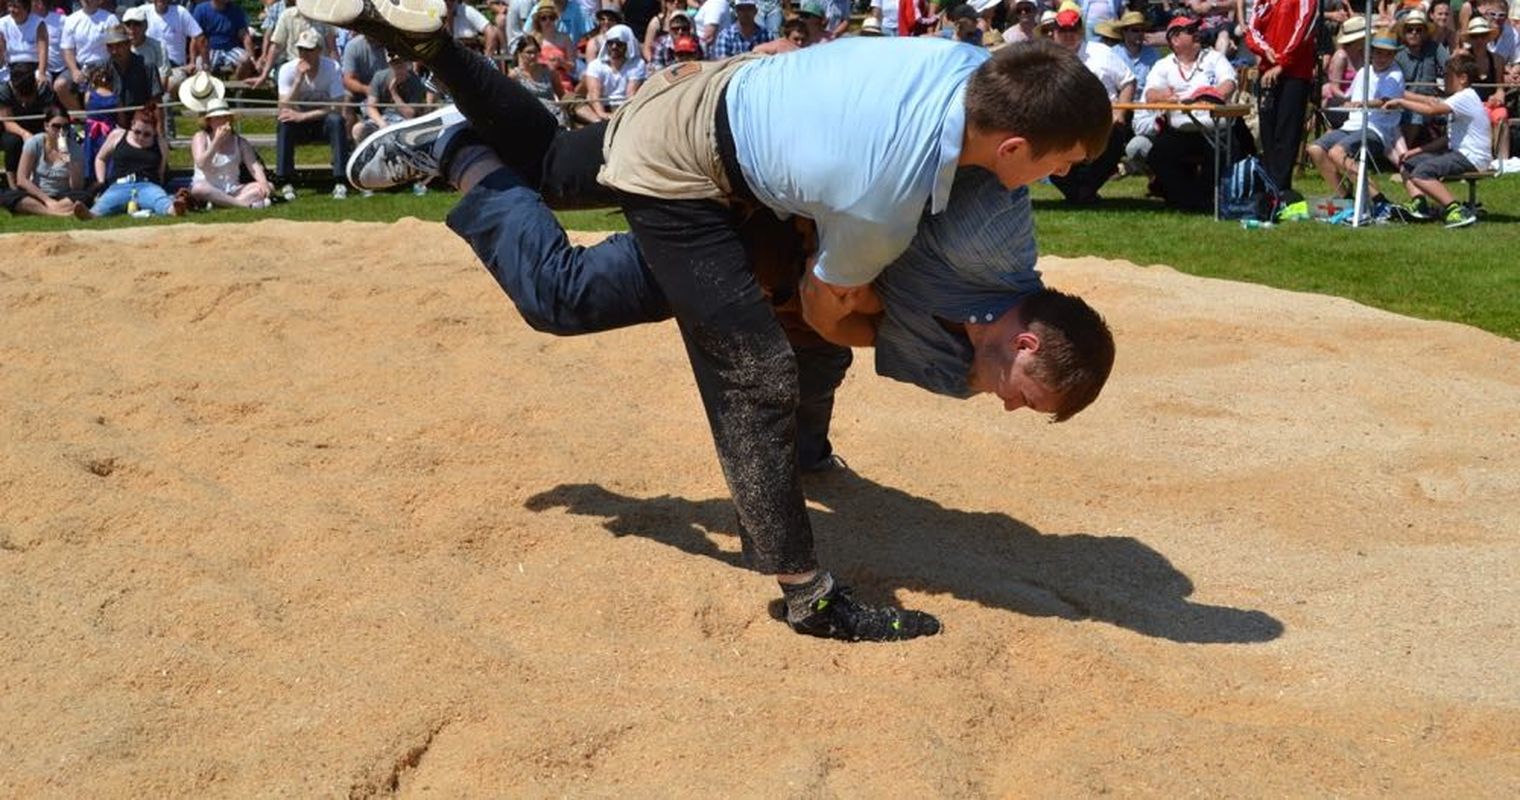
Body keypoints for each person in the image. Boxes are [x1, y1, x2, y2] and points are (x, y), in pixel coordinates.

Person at [304, 0, 1114, 641]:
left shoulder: (980, 78)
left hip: (730, 103)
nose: (1061, 175)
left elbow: (845, 310)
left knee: (554, 167)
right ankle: (806, 596)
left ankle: (439, 56)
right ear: (1011, 150)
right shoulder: (891, 198)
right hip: (695, 173)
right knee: (748, 367)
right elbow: (828, 310)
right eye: (1060, 162)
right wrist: (855, 306)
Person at [1142, 15, 1250, 211]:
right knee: (1156, 155)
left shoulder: (1214, 57)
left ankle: (1202, 199)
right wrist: (1164, 95)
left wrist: (1210, 95)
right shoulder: (1163, 65)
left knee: (1224, 151)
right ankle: (1190, 200)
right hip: (1181, 130)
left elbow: (1229, 83)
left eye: (1196, 30)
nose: (1197, 34)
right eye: (1191, 31)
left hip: (1215, 129)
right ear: (1174, 40)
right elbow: (1150, 94)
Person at [1384, 51, 1489, 227]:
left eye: (1447, 76)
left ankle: (1455, 209)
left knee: (1422, 173)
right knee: (1408, 162)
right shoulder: (1460, 99)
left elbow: (1431, 110)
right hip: (1460, 153)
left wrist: (1401, 102)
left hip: (1472, 157)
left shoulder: (1465, 96)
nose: (1443, 80)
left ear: (1462, 78)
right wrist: (1415, 151)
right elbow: (1447, 139)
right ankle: (1419, 205)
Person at [1305, 30, 1403, 202]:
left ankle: (1380, 200)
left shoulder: (1395, 74)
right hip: (1352, 125)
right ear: (1371, 52)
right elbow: (1350, 96)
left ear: (1394, 55)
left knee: (1337, 152)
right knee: (1315, 149)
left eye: (1387, 54)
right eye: (1378, 52)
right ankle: (1345, 198)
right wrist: (1339, 100)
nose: (1381, 57)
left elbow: (1387, 101)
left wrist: (1363, 103)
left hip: (1376, 129)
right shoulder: (1364, 71)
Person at [1049, 5, 1133, 203]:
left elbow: (1128, 81)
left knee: (1115, 135)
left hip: (1102, 122)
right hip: (1062, 125)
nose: (1068, 34)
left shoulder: (1102, 53)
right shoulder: (1046, 57)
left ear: (1081, 30)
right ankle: (1078, 193)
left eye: (1073, 29)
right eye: (1063, 30)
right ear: (1054, 32)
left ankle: (1084, 192)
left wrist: (1121, 114)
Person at [1245, 0, 1317, 197]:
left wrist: (1283, 63)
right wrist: (1264, 50)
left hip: (1295, 73)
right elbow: (1252, 29)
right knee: (1267, 130)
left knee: (1286, 132)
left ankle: (1281, 187)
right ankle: (1270, 187)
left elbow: (1303, 29)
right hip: (1267, 69)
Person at [79, 105, 189, 219]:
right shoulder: (117, 135)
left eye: (147, 134)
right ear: (132, 124)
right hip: (119, 185)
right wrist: (101, 180)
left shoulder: (161, 143)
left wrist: (158, 185)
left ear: (154, 132)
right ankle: (91, 214)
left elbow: (160, 171)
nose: (141, 137)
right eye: (137, 132)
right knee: (104, 203)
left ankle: (174, 209)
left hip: (148, 185)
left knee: (159, 199)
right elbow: (100, 158)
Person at [275, 28, 349, 196]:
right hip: (298, 124)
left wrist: (303, 116)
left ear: (319, 51)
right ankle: (285, 181)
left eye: (309, 50)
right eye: (301, 49)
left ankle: (340, 180)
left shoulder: (332, 68)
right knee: (284, 122)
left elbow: (337, 106)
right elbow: (283, 107)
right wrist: (297, 81)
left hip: (322, 122)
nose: (304, 54)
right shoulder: (287, 69)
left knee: (336, 121)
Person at [0, 106, 90, 216]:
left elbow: (76, 187)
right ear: (46, 126)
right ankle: (56, 213)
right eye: (56, 126)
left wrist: (67, 158)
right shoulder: (35, 143)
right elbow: (22, 179)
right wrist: (48, 200)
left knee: (84, 196)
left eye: (65, 127)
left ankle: (43, 210)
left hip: (64, 195)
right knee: (9, 196)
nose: (61, 131)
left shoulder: (75, 149)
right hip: (38, 194)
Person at [189, 97, 273, 208]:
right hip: (208, 187)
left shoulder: (240, 142)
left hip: (233, 189)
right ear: (209, 121)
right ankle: (243, 204)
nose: (222, 121)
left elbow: (254, 166)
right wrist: (216, 142)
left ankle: (222, 203)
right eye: (217, 118)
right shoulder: (200, 137)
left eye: (225, 117)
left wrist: (263, 183)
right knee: (198, 189)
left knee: (268, 186)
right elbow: (201, 164)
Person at [1392, 8, 1449, 147]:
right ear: (1404, 33)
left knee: (1458, 111)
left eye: (1419, 30)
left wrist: (1446, 92)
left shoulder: (1435, 48)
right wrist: (1424, 100)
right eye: (1410, 30)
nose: (1414, 33)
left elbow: (1451, 68)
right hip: (1407, 102)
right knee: (1416, 115)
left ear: (1424, 32)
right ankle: (1406, 153)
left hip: (1433, 101)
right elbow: (1397, 90)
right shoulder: (1397, 55)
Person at [55, 0, 117, 111]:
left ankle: (91, 122)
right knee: (60, 85)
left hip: (104, 66)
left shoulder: (110, 19)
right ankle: (82, 119)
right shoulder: (71, 20)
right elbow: (67, 49)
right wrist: (74, 70)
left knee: (89, 97)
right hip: (80, 65)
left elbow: (117, 47)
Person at [0, 60, 52, 188]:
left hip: (39, 126)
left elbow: (50, 117)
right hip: (13, 130)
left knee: (50, 139)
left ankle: (50, 180)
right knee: (12, 142)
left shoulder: (43, 89)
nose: (24, 101)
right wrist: (24, 134)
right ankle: (14, 185)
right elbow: (7, 122)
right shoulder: (4, 91)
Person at [355, 49, 426, 140]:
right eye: (395, 64)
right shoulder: (379, 77)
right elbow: (371, 107)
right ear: (390, 65)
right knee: (358, 129)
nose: (398, 67)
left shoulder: (415, 82)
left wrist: (394, 92)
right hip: (381, 120)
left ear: (407, 64)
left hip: (404, 122)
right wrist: (382, 123)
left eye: (401, 63)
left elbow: (410, 114)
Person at [581, 22, 642, 119]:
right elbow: (594, 92)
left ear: (628, 45)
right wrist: (602, 114)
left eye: (619, 44)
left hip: (625, 108)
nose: (614, 47)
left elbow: (631, 93)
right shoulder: (595, 65)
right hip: (600, 108)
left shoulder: (637, 64)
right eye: (610, 43)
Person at [508, 33, 566, 124]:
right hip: (530, 118)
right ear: (520, 53)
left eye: (535, 52)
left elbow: (561, 95)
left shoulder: (548, 71)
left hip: (553, 114)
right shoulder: (514, 76)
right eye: (529, 52)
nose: (533, 56)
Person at [192, 0, 257, 79]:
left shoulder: (236, 10)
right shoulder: (201, 10)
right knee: (200, 66)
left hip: (231, 49)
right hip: (210, 49)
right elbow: (195, 39)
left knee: (245, 60)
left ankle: (238, 83)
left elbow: (244, 36)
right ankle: (208, 87)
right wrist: (192, 61)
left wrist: (252, 58)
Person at [1, 0, 48, 81]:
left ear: (26, 8)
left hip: (34, 66)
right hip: (12, 66)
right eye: (10, 6)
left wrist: (41, 73)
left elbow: (43, 51)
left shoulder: (38, 23)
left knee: (42, 84)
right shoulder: (2, 23)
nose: (11, 10)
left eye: (16, 6)